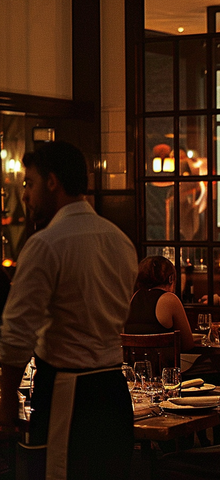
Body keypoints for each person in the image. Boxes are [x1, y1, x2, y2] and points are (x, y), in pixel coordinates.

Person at [0, 141, 138, 479]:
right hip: (115, 393)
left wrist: (5, 410)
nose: (25, 196)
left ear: (52, 182)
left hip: (68, 393)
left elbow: (17, 337)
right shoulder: (120, 240)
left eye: (29, 184)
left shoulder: (47, 244)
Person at [125, 255, 195, 351]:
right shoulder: (169, 299)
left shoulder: (132, 298)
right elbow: (188, 345)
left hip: (133, 364)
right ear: (171, 278)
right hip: (164, 365)